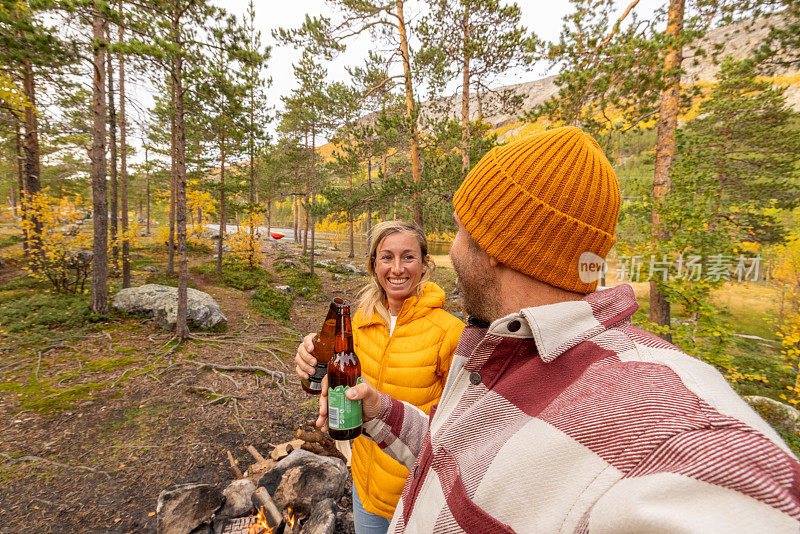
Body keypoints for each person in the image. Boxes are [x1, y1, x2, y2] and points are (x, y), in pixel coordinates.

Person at [315, 126, 800, 533]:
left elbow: (741, 494)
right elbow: (459, 452)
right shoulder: (506, 351)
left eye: (461, 229)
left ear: (496, 246)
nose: (453, 249)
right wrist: (378, 410)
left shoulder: (670, 418)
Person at [295, 220, 465, 534]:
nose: (397, 268)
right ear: (374, 265)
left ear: (425, 265)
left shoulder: (450, 332)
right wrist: (308, 355)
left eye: (408, 257)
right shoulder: (359, 321)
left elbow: (461, 426)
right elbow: (333, 376)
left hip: (417, 496)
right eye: (387, 257)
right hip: (365, 488)